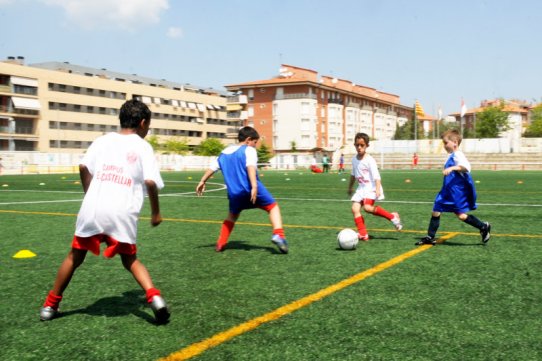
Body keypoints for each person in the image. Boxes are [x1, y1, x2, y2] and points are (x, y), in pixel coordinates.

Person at [40, 99, 170, 323]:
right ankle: (154, 297)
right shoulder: (143, 146)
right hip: (121, 211)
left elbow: (83, 166)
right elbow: (150, 182)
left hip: (93, 208)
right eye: (148, 126)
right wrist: (156, 213)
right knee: (130, 260)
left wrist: (89, 193)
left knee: (75, 256)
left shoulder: (103, 141)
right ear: (142, 123)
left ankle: (50, 306)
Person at [196, 126, 288, 254]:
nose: (255, 146)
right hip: (250, 187)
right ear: (248, 140)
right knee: (272, 207)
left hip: (234, 193)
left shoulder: (224, 153)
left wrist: (202, 181)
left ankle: (220, 243)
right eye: (255, 142)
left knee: (232, 216)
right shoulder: (248, 150)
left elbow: (212, 168)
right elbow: (250, 167)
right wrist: (254, 186)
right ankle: (279, 235)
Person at [416, 129, 491, 245]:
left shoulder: (458, 155)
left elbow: (467, 167)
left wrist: (452, 168)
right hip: (446, 191)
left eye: (446, 143)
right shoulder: (452, 155)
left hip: (455, 192)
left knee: (461, 216)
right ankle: (430, 237)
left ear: (455, 142)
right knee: (436, 210)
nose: (444, 146)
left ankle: (483, 226)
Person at [347, 132, 402, 241]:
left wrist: (377, 189)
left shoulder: (369, 160)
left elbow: (377, 176)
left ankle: (392, 217)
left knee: (367, 208)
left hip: (371, 188)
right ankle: (363, 234)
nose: (359, 147)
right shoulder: (354, 159)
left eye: (362, 145)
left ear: (367, 145)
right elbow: (353, 174)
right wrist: (350, 187)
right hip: (361, 188)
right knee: (355, 208)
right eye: (357, 145)